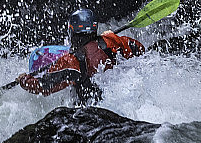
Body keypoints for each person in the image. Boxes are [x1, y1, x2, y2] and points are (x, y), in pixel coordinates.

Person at [16, 8, 145, 105]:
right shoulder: (111, 40)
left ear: (72, 31)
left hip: (90, 109)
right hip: (122, 98)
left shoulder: (71, 61)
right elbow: (139, 49)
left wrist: (24, 80)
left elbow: (42, 86)